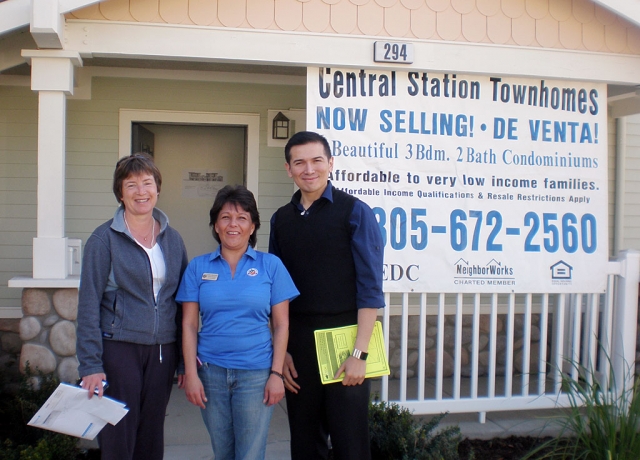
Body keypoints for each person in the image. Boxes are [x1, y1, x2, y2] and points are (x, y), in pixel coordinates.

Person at [269, 131, 385, 460]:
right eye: (299, 162)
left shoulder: (355, 212)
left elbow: (370, 289)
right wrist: (283, 353)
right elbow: (276, 295)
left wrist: (359, 355)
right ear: (288, 168)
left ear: (330, 164)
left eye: (317, 160)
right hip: (299, 342)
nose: (309, 169)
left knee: (350, 442)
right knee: (305, 442)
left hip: (347, 338)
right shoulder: (281, 220)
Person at [76, 153, 188, 460]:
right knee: (118, 434)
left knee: (151, 434)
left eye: (147, 183)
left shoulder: (173, 240)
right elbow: (88, 304)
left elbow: (180, 303)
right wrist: (91, 365)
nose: (141, 191)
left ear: (158, 188)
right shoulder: (104, 240)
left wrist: (181, 361)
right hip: (119, 348)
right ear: (120, 192)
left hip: (162, 350)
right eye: (132, 184)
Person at [177, 185, 298, 460]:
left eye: (242, 218)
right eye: (225, 217)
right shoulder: (198, 267)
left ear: (253, 226)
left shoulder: (271, 266)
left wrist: (276, 375)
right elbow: (189, 325)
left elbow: (281, 325)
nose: (234, 225)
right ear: (216, 225)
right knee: (223, 452)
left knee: (250, 454)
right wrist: (191, 375)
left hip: (256, 375)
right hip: (210, 374)